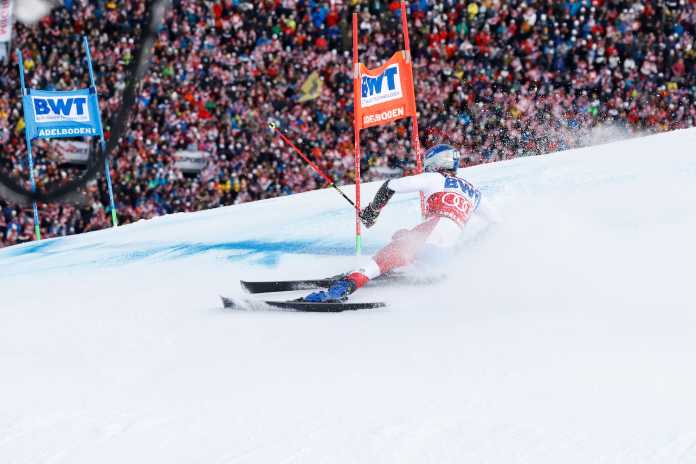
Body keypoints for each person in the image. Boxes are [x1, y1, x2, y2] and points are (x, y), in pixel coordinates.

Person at [303, 143, 494, 303]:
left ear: (437, 162)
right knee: (403, 236)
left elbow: (391, 185)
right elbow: (495, 224)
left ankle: (340, 290)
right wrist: (466, 247)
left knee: (390, 253)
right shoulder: (474, 193)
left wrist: (372, 212)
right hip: (442, 257)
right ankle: (391, 268)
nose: (425, 167)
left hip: (429, 235)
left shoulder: (435, 177)